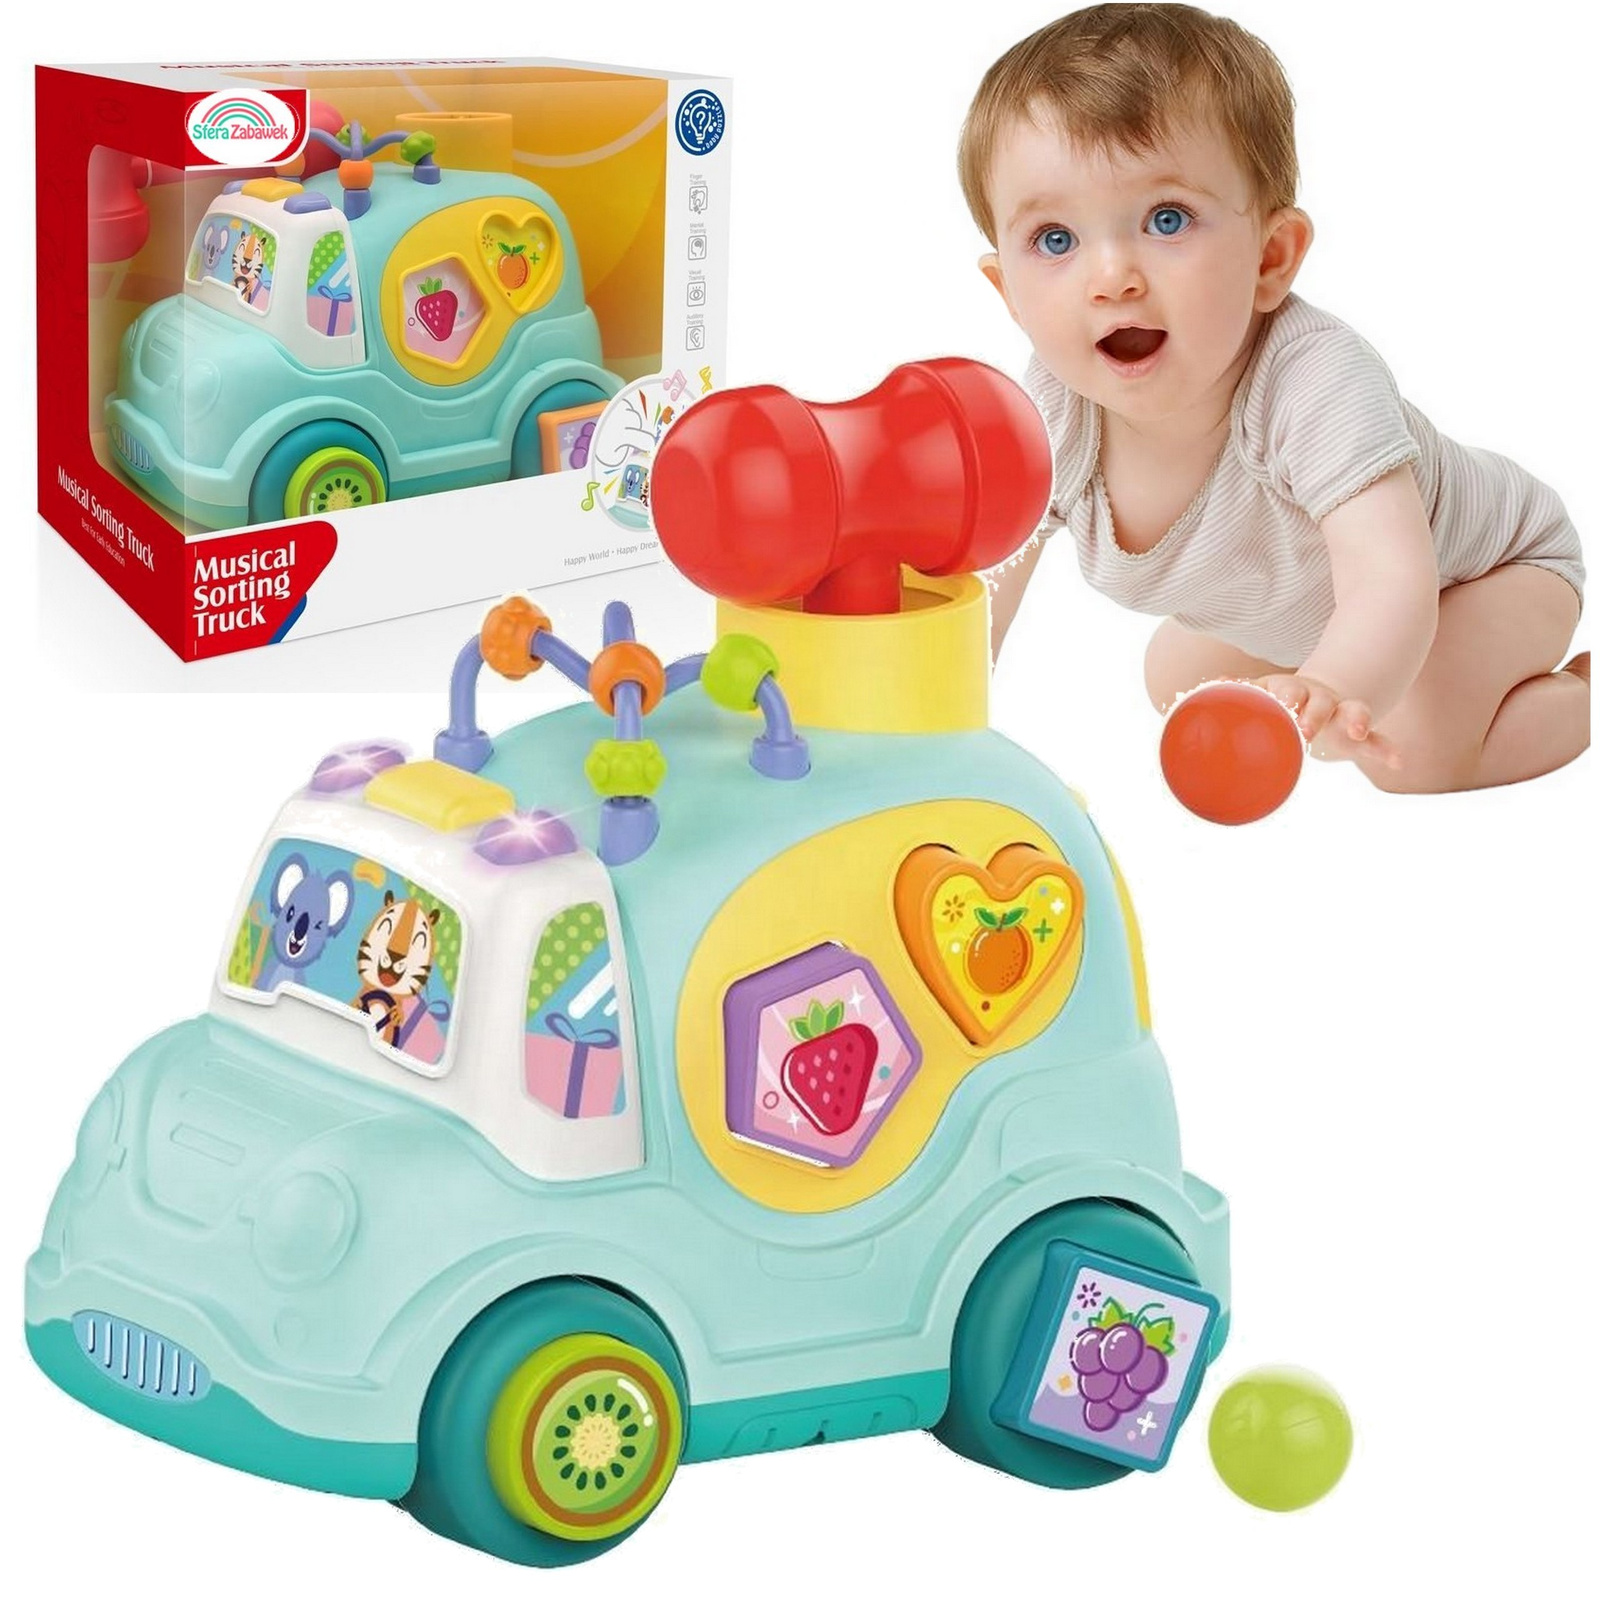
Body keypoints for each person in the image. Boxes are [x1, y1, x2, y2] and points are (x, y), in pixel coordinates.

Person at [962, 4, 1587, 791]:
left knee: (1412, 752)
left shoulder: (1314, 380)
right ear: (1009, 293)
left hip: (1486, 575)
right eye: (1055, 239)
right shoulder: (1053, 412)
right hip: (1313, 605)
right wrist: (931, 699)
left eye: (1166, 220)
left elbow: (1391, 579)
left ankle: (1580, 698)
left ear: (1271, 257)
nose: (1112, 277)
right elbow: (986, 585)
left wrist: (1333, 685)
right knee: (1176, 684)